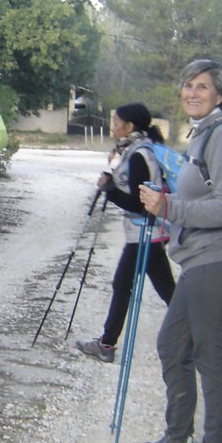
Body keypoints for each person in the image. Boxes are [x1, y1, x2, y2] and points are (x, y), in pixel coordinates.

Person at [139, 59, 222, 443]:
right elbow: (203, 193)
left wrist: (169, 206)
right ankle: (178, 438)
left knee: (211, 356)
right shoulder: (204, 133)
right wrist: (166, 202)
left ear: (220, 94)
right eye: (187, 85)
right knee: (173, 346)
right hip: (201, 261)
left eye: (202, 87)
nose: (191, 92)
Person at [75, 104, 176, 363]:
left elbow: (141, 205)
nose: (113, 126)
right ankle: (199, 334)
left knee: (124, 286)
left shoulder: (139, 154)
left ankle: (107, 345)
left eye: (116, 121)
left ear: (129, 126)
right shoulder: (136, 149)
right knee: (167, 291)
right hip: (146, 234)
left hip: (144, 234)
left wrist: (109, 188)